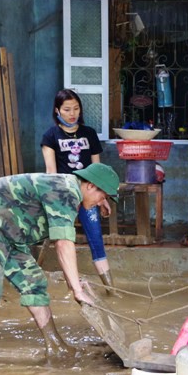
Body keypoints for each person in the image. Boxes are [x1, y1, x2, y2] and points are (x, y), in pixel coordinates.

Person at [0, 164, 120, 362]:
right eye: (102, 197)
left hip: (7, 231)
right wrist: (77, 289)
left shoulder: (71, 189)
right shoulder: (66, 191)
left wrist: (73, 281)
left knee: (34, 283)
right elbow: (63, 244)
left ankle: (55, 344)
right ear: (91, 186)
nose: (102, 202)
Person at [40, 89, 116, 295]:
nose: (72, 113)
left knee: (96, 237)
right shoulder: (50, 136)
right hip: (64, 196)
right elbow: (50, 172)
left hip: (89, 195)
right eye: (66, 109)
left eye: (76, 108)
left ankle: (110, 288)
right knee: (57, 238)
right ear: (57, 110)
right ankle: (65, 283)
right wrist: (54, 202)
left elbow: (97, 171)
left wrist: (102, 198)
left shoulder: (89, 133)